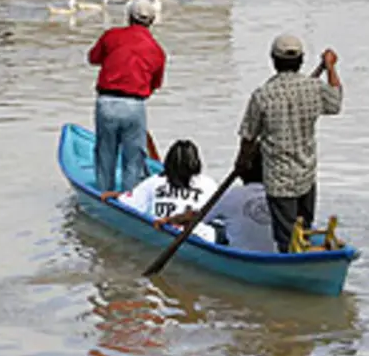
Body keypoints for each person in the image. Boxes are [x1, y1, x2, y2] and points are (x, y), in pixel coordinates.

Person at [234, 34, 343, 253]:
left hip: (279, 181)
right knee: (303, 230)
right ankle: (306, 262)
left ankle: (292, 268)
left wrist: (241, 163)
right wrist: (330, 68)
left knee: (288, 241)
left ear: (273, 61)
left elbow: (248, 137)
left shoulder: (263, 96)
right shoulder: (314, 88)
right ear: (301, 60)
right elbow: (336, 101)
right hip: (306, 175)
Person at [88, 0, 166, 192]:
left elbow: (93, 58)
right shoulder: (157, 51)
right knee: (134, 160)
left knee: (106, 154)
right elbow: (155, 84)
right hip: (135, 106)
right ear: (152, 21)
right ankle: (130, 199)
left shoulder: (111, 36)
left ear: (129, 17)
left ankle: (104, 195)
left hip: (106, 103)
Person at [101, 140, 218, 242]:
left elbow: (130, 204)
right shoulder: (209, 184)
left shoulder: (154, 181)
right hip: (203, 237)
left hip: (163, 231)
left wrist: (117, 196)